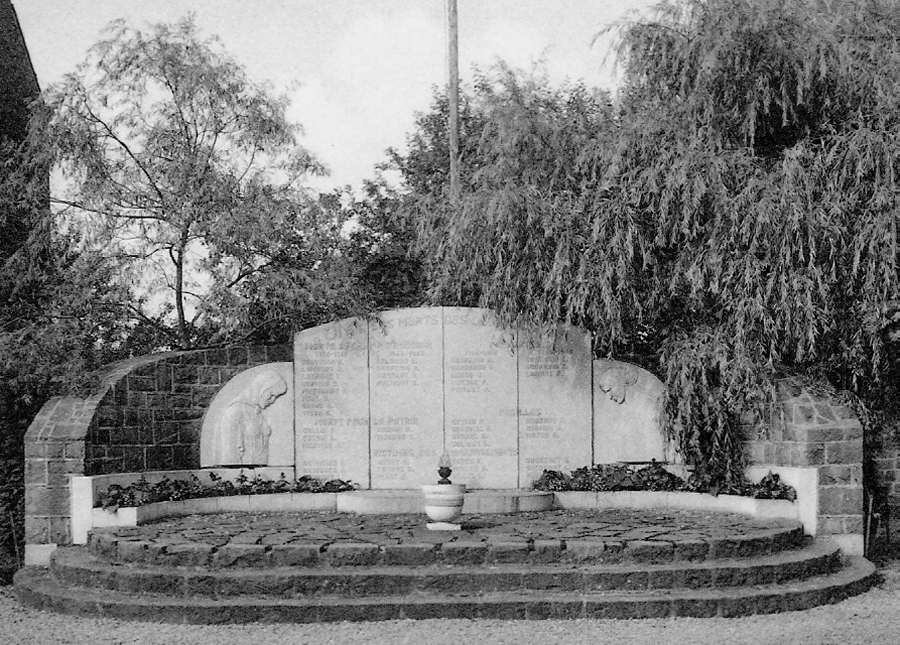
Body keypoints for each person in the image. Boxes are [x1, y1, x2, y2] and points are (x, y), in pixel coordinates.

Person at [216, 370, 288, 466]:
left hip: (262, 472)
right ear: (261, 388)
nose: (273, 400)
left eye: (276, 397)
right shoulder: (235, 411)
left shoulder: (256, 410)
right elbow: (229, 455)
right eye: (271, 395)